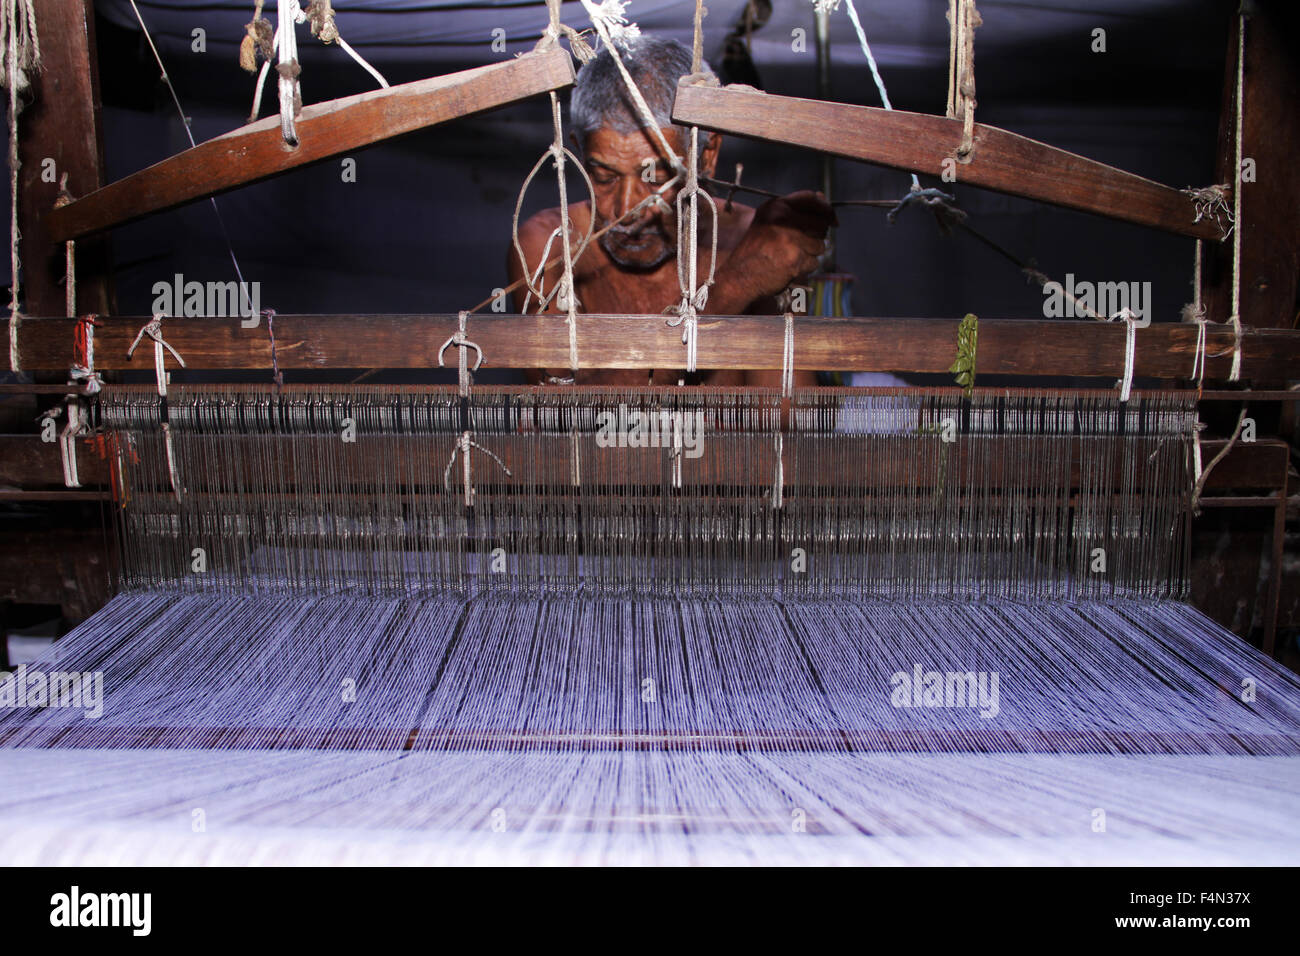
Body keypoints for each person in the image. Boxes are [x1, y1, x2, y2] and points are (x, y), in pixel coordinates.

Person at [509, 35, 836, 387]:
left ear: (706, 155)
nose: (626, 210)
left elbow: (786, 421)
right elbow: (556, 410)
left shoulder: (759, 246)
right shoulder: (550, 245)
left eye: (657, 178)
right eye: (604, 177)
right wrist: (733, 289)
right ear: (577, 154)